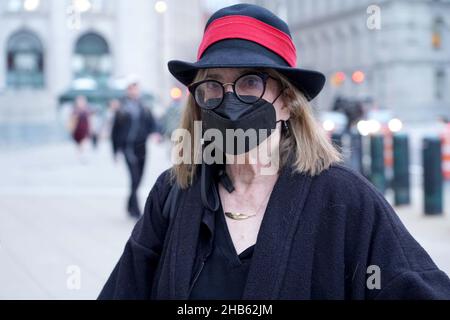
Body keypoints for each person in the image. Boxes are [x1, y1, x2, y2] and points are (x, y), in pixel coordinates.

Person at [99, 4, 450, 299]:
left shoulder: (345, 199)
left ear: (287, 102)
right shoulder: (173, 193)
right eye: (213, 84)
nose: (229, 98)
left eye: (250, 82)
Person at [111, 79, 159, 218]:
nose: (134, 91)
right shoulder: (121, 108)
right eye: (131, 88)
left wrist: (155, 134)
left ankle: (129, 205)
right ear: (127, 90)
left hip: (142, 147)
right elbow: (115, 131)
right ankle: (135, 210)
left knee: (139, 178)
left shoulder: (144, 107)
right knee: (134, 178)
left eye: (136, 88)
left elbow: (152, 124)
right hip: (128, 148)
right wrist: (115, 151)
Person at [69, 95, 91, 161]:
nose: (81, 103)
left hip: (84, 129)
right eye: (79, 101)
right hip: (77, 130)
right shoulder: (75, 111)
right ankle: (80, 155)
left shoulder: (87, 110)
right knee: (79, 144)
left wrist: (90, 129)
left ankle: (83, 156)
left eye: (82, 101)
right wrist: (71, 129)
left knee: (83, 143)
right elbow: (71, 121)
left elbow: (89, 120)